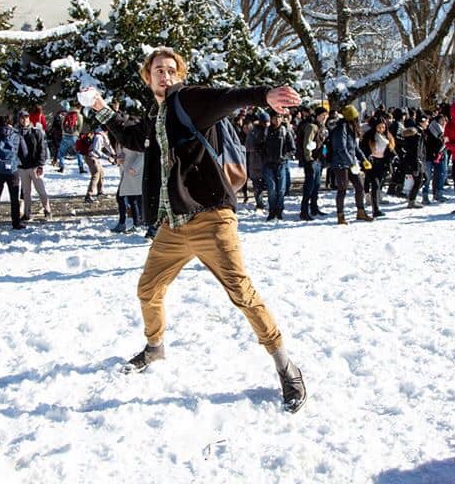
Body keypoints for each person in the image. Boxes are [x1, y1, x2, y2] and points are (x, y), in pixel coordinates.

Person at [87, 46, 307, 413]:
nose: (165, 75)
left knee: (243, 294)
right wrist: (101, 110)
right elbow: (132, 135)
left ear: (180, 75)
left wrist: (262, 95)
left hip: (211, 219)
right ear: (148, 76)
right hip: (173, 226)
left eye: (171, 69)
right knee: (148, 290)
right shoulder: (157, 115)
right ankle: (155, 348)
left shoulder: (188, 100)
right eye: (158, 69)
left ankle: (286, 367)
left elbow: (225, 99)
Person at [0, 115, 28, 230]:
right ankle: (16, 222)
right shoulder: (16, 134)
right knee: (14, 197)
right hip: (13, 169)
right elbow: (24, 152)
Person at [259, 112, 295, 221]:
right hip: (268, 164)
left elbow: (292, 148)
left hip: (281, 164)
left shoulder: (285, 131)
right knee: (272, 189)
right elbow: (258, 145)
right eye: (275, 117)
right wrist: (264, 156)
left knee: (281, 189)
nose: (277, 120)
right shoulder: (265, 131)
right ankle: (272, 211)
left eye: (280, 117)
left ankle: (279, 210)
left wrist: (285, 156)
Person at [16, 112, 51, 221]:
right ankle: (27, 213)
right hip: (22, 166)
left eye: (26, 118)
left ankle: (47, 209)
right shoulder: (16, 133)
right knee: (26, 192)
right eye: (22, 118)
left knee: (41, 190)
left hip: (35, 166)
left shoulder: (36, 132)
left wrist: (40, 165)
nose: (24, 120)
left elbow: (41, 149)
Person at [360, 118, 397, 217]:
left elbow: (391, 149)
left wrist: (393, 157)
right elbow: (363, 149)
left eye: (383, 127)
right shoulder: (369, 136)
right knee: (375, 184)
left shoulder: (388, 137)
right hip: (371, 163)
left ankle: (375, 206)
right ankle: (375, 209)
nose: (381, 129)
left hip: (382, 163)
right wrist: (366, 159)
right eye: (379, 127)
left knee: (378, 184)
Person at [296, 105, 328, 220]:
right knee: (309, 186)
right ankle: (304, 211)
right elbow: (307, 144)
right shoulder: (312, 127)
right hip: (311, 160)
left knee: (316, 185)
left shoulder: (321, 127)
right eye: (322, 116)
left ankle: (314, 207)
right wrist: (308, 158)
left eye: (325, 116)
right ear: (318, 116)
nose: (324, 118)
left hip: (319, 159)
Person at [113, 144, 143, 233]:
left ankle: (126, 223)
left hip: (133, 174)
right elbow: (120, 155)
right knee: (129, 199)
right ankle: (132, 223)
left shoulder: (132, 139)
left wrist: (134, 168)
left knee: (124, 198)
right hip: (125, 174)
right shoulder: (118, 141)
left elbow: (142, 155)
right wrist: (116, 160)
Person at [84, 126, 116, 203]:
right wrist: (107, 157)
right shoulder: (99, 137)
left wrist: (113, 154)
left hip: (94, 157)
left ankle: (100, 192)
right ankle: (89, 195)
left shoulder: (102, 136)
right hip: (91, 157)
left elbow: (107, 145)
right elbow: (96, 150)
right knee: (96, 174)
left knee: (101, 173)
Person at [57, 103, 85, 174]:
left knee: (62, 152)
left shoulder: (67, 114)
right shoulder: (79, 115)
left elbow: (62, 125)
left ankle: (61, 166)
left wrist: (64, 133)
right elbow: (80, 126)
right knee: (79, 151)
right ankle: (81, 167)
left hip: (65, 136)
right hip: (74, 136)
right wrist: (77, 133)